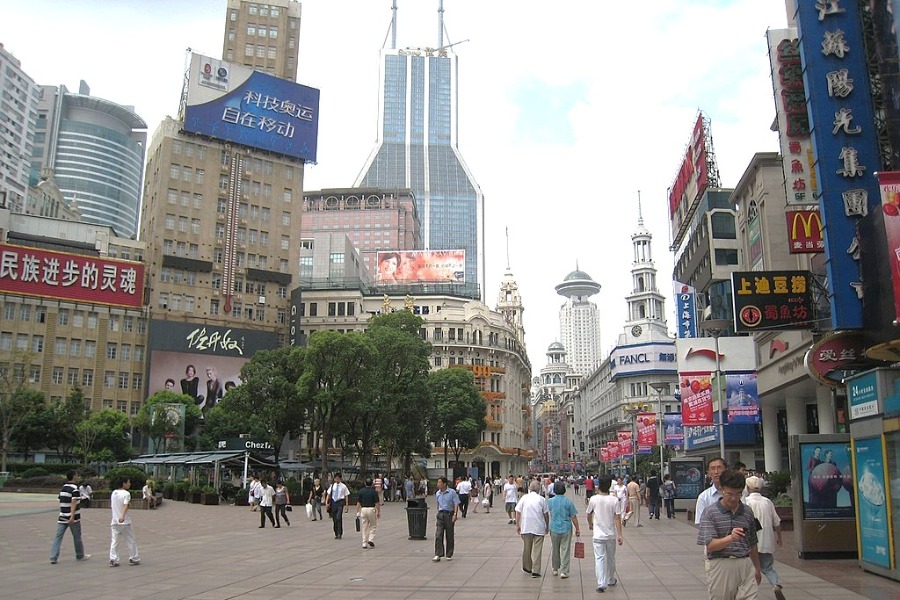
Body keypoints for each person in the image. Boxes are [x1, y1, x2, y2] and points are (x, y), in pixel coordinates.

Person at [697, 469, 762, 599]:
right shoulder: (711, 513)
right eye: (729, 494)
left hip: (745, 563)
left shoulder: (747, 512)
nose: (734, 498)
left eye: (738, 494)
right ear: (721, 489)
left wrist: (757, 568)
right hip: (721, 564)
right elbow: (710, 545)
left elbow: (753, 543)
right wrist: (730, 538)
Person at [744, 476, 785, 600]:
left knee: (750, 569)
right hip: (767, 541)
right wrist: (779, 537)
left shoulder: (745, 502)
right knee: (767, 567)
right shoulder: (767, 501)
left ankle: (751, 593)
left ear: (747, 487)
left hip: (750, 542)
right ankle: (775, 584)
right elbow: (776, 522)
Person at [586, 475, 623, 592]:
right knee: (611, 558)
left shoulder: (593, 499)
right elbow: (617, 518)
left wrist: (590, 524)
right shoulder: (614, 500)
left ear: (598, 486)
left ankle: (601, 583)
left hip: (598, 535)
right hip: (610, 534)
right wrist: (620, 534)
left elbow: (588, 513)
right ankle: (610, 579)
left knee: (599, 558)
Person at [50, 470, 90, 564]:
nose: (78, 477)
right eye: (77, 475)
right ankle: (80, 555)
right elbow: (74, 503)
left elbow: (61, 500)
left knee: (58, 537)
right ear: (73, 476)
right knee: (77, 536)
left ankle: (53, 557)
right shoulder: (75, 489)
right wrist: (71, 516)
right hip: (73, 517)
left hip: (62, 516)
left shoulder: (63, 488)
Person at [515, 479, 550, 578]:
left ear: (530, 488)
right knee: (537, 550)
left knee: (527, 548)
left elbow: (518, 511)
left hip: (526, 527)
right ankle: (536, 570)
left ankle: (527, 566)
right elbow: (546, 514)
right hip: (538, 527)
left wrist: (517, 525)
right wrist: (547, 525)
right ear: (539, 489)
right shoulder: (541, 499)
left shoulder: (524, 498)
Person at [548, 480, 581, 579]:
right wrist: (577, 528)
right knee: (565, 550)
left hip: (554, 527)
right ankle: (564, 571)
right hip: (566, 528)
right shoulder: (568, 502)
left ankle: (555, 568)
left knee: (555, 548)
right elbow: (573, 516)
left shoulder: (550, 501)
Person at [109, 476, 139, 567]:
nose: (130, 484)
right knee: (131, 540)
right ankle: (134, 557)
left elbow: (118, 504)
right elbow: (125, 505)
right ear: (124, 483)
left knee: (115, 541)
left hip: (114, 521)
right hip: (125, 522)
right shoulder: (126, 493)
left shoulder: (114, 493)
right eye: (128, 482)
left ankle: (113, 558)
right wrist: (122, 516)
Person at [432, 476, 460, 562]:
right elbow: (438, 504)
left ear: (444, 484)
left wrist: (455, 514)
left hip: (449, 514)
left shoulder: (452, 492)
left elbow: (456, 503)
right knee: (438, 534)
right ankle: (438, 554)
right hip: (441, 514)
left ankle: (449, 553)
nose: (438, 484)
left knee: (449, 534)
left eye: (439, 483)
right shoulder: (438, 493)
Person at [695, 457, 727, 525]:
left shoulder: (735, 493)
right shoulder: (704, 497)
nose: (716, 472)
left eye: (719, 468)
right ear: (709, 473)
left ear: (726, 470)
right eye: (713, 469)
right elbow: (700, 523)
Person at [356, 478, 381, 549]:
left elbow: (358, 502)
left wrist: (357, 511)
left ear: (365, 483)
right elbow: (377, 503)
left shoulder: (361, 491)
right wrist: (378, 511)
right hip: (371, 509)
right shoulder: (374, 492)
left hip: (363, 509)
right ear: (372, 484)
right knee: (373, 526)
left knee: (364, 526)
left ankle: (364, 542)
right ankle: (370, 539)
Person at [325, 473, 350, 539]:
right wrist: (326, 502)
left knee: (339, 517)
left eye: (338, 478)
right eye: (336, 478)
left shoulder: (343, 486)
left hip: (340, 502)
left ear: (340, 479)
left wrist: (347, 505)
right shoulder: (333, 486)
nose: (337, 480)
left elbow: (346, 495)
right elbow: (328, 494)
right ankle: (336, 532)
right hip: (333, 502)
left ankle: (339, 533)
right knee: (334, 518)